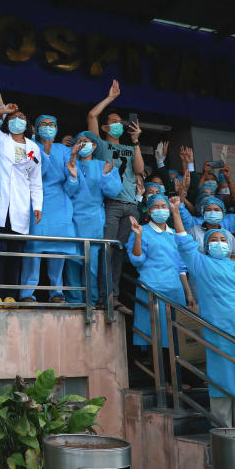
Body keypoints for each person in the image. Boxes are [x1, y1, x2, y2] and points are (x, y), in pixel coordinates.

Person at [169, 197, 235, 427]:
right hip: (217, 328)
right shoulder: (200, 263)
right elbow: (183, 242)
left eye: (222, 239)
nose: (219, 242)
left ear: (230, 245)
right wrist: (175, 213)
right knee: (221, 377)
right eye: (214, 240)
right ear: (206, 246)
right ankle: (223, 431)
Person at [0, 93, 42, 306]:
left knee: (15, 254)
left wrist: (37, 205)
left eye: (21, 118)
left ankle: (11, 295)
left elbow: (35, 180)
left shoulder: (33, 148)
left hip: (21, 208)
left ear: (27, 124)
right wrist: (4, 110)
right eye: (13, 118)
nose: (17, 120)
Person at [87, 80, 144, 313]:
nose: (118, 125)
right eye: (113, 122)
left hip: (131, 205)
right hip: (110, 204)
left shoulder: (131, 148)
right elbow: (92, 115)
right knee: (107, 250)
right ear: (105, 128)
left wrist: (136, 141)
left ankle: (114, 296)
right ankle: (103, 297)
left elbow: (139, 170)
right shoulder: (99, 145)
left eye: (121, 122)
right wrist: (110, 98)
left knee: (119, 252)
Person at [127, 195, 194, 358]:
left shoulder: (173, 234)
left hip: (176, 291)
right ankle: (164, 381)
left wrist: (188, 292)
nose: (160, 210)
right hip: (153, 289)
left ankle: (176, 379)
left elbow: (181, 267)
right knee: (156, 335)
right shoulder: (143, 230)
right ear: (149, 211)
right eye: (156, 207)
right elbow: (136, 260)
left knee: (176, 335)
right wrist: (137, 236)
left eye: (163, 206)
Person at [23, 115, 79, 304]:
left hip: (60, 205)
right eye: (44, 125)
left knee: (58, 252)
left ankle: (57, 293)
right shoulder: (29, 147)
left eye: (51, 124)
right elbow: (33, 171)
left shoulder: (64, 150)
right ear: (37, 129)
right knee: (34, 251)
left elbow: (72, 187)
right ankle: (27, 294)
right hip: (36, 203)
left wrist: (72, 177)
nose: (48, 127)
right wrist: (45, 153)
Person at [69, 131, 121, 305]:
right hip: (71, 218)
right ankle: (74, 299)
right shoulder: (70, 163)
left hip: (93, 220)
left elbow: (114, 191)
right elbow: (66, 187)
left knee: (90, 264)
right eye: (80, 141)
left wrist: (106, 175)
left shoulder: (103, 165)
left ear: (95, 145)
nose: (83, 144)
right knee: (72, 262)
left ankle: (90, 301)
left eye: (87, 141)